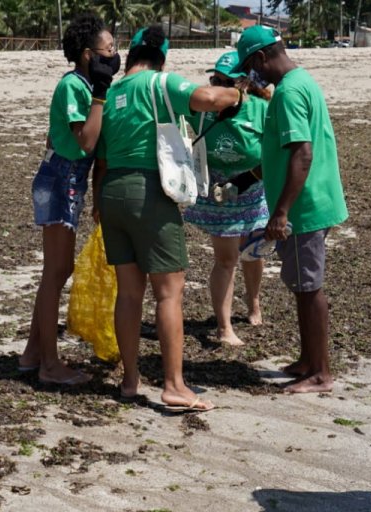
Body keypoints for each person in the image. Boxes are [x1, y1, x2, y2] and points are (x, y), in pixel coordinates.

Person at [93, 26, 242, 412]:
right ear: (162, 54)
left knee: (128, 292)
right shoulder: (159, 83)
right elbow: (208, 98)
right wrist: (238, 93)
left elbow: (102, 156)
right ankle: (174, 385)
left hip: (113, 192)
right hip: (149, 192)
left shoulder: (112, 93)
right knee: (169, 291)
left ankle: (130, 379)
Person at [236, 25, 348, 394]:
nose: (252, 75)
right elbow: (286, 152)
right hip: (313, 200)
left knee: (308, 289)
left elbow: (303, 153)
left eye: (251, 66)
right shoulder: (301, 82)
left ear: (261, 58)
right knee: (303, 284)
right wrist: (248, 179)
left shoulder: (288, 93)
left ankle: (320, 373)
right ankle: (308, 360)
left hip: (305, 207)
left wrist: (281, 212)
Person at [19, 13, 117, 385]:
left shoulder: (85, 86)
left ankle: (32, 353)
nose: (113, 55)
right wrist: (101, 94)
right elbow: (87, 141)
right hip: (60, 180)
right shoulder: (76, 87)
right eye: (107, 50)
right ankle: (49, 364)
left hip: (68, 180)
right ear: (87, 54)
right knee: (56, 272)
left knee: (57, 271)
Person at [182, 51, 271, 347]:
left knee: (254, 252)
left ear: (242, 83)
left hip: (253, 185)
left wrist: (251, 178)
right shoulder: (202, 108)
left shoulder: (261, 108)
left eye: (224, 80)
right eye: (214, 79)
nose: (216, 85)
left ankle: (254, 302)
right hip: (218, 190)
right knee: (226, 259)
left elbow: (276, 152)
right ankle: (224, 327)